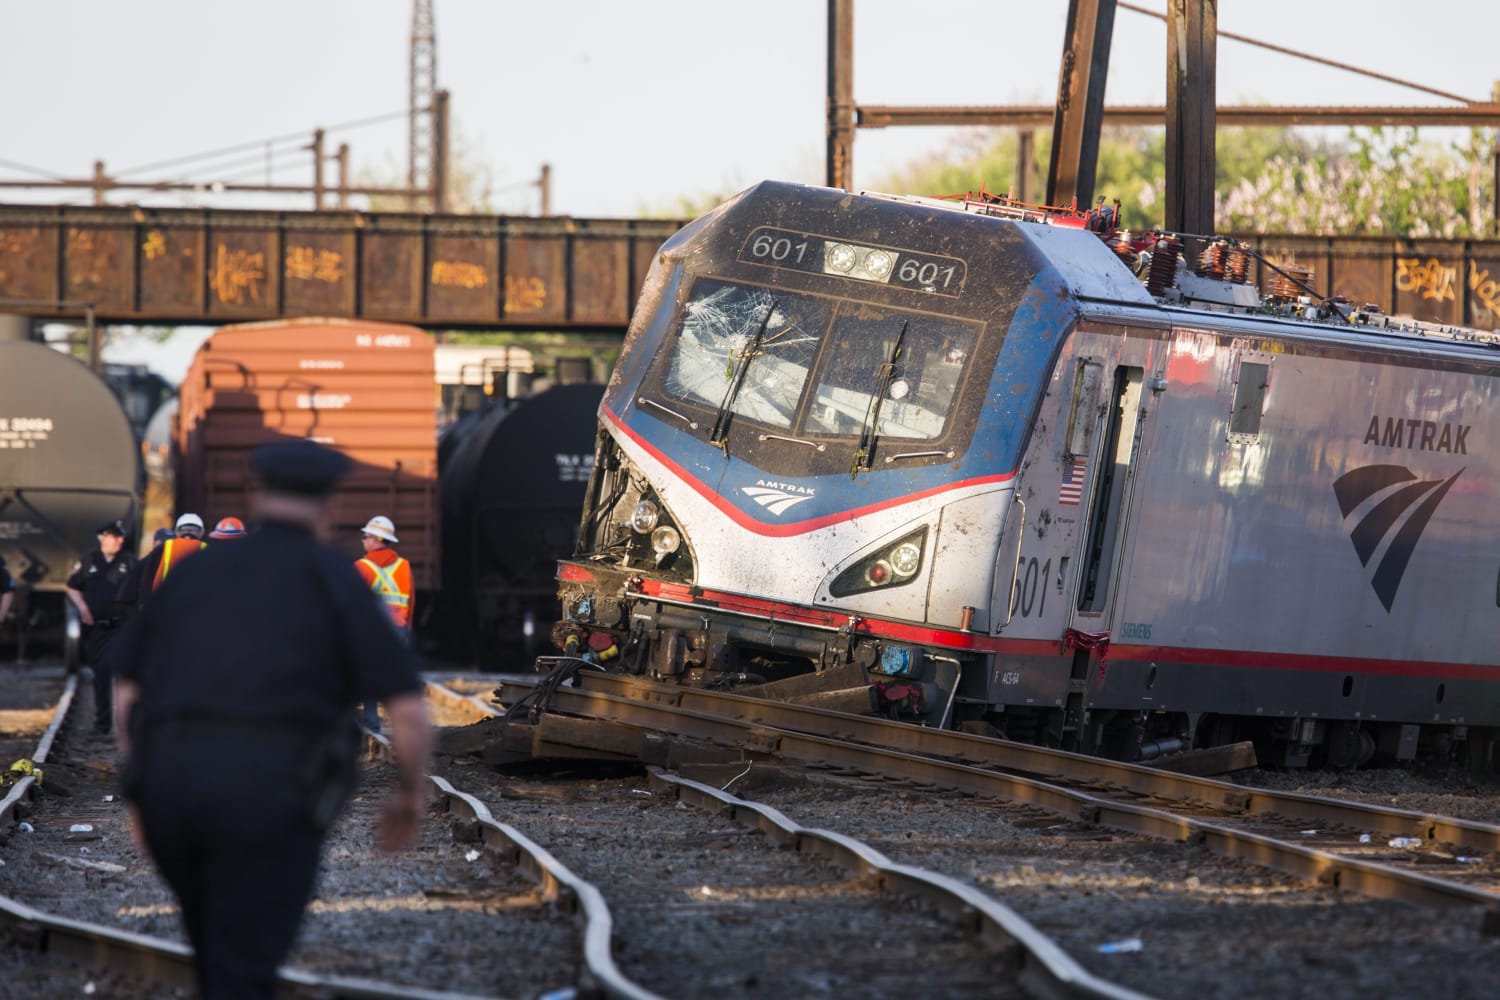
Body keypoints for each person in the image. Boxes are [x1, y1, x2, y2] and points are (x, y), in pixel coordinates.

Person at [112, 439, 431, 999]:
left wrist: (136, 788)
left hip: (176, 783)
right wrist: (411, 793)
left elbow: (128, 691)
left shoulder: (195, 571)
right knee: (251, 951)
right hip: (278, 788)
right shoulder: (336, 578)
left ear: (257, 495)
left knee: (212, 941)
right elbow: (406, 705)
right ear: (329, 506)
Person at [64, 520, 138, 733]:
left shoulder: (130, 562)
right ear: (103, 538)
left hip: (121, 627)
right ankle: (102, 723)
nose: (118, 541)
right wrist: (83, 608)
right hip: (96, 628)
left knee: (120, 673)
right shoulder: (89, 560)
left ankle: (123, 724)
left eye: (120, 537)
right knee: (101, 674)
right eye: (114, 537)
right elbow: (72, 587)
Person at [353, 515, 413, 734]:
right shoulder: (404, 566)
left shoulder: (362, 567)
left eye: (366, 536)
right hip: (398, 630)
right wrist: (406, 632)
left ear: (376, 539)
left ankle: (371, 724)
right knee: (396, 683)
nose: (363, 540)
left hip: (371, 632)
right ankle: (402, 727)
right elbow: (410, 602)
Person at [117, 513, 208, 623]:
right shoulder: (208, 550)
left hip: (162, 609)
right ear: (202, 532)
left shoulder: (164, 548)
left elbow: (143, 579)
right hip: (194, 612)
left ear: (177, 531)